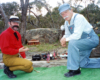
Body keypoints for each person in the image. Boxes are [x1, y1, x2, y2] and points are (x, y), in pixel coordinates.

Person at [58, 3, 100, 77]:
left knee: (72, 43)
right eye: (62, 14)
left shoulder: (79, 17)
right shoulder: (66, 22)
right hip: (81, 43)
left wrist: (66, 40)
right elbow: (67, 34)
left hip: (91, 39)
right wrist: (63, 38)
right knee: (83, 63)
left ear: (71, 10)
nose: (64, 15)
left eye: (66, 12)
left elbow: (77, 35)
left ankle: (74, 70)